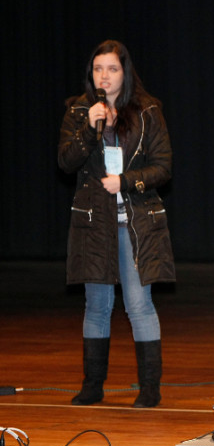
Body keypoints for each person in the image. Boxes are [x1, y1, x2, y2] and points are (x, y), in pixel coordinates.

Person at [58, 40, 175, 407]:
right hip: (95, 223)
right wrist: (91, 130)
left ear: (125, 72)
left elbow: (163, 167)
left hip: (135, 220)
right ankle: (93, 385)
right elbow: (66, 162)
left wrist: (125, 181)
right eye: (98, 69)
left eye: (112, 69)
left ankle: (150, 388)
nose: (104, 77)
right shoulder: (79, 111)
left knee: (139, 304)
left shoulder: (148, 111)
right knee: (96, 306)